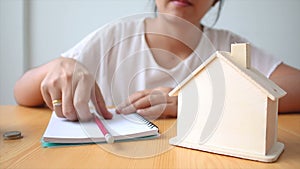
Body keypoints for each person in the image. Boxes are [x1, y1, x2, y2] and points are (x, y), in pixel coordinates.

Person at [14, 0, 300, 121]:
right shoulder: (115, 35)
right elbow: (21, 93)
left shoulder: (227, 45)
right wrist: (56, 68)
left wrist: (194, 100)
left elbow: (295, 86)